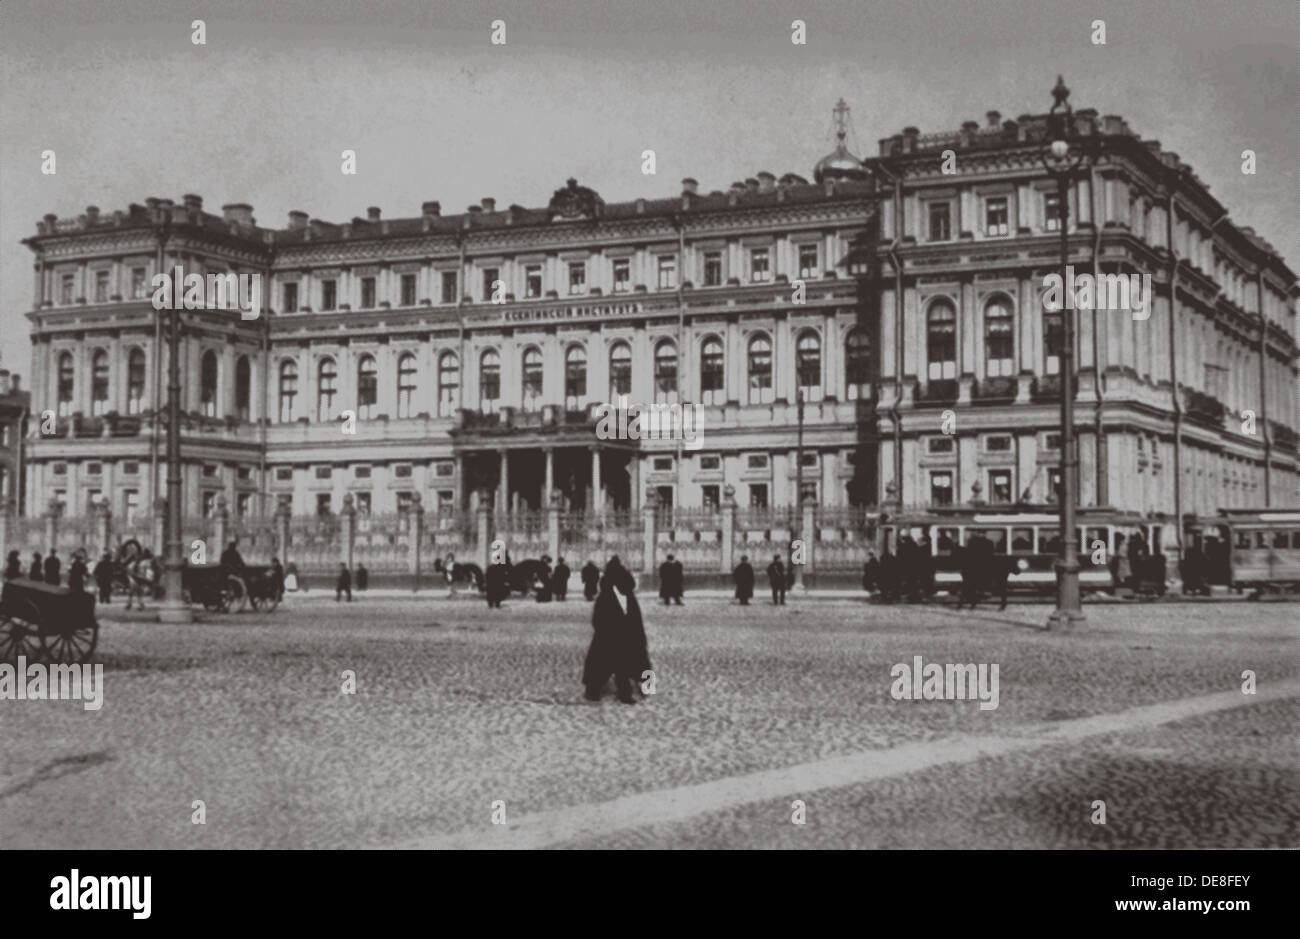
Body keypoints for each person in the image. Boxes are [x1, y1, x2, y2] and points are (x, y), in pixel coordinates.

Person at [582, 556, 651, 705]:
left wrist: (603, 631)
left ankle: (595, 691)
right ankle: (639, 689)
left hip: (610, 636)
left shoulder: (606, 595)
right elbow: (635, 619)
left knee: (603, 665)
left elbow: (597, 619)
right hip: (623, 636)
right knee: (629, 664)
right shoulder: (628, 596)